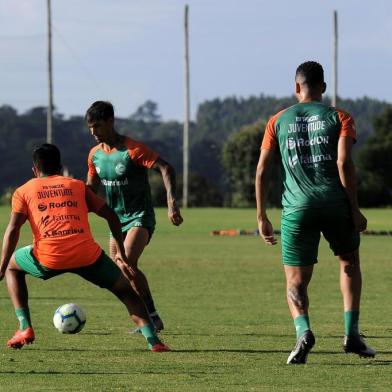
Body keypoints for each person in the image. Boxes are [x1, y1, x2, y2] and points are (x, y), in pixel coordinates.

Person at [255, 61, 375, 364]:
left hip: (296, 209)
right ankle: (352, 335)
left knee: (295, 280)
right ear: (323, 87)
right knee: (349, 261)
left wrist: (261, 215)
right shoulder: (340, 117)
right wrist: (355, 209)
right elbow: (344, 163)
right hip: (335, 203)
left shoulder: (277, 121)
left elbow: (261, 172)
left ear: (297, 87)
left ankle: (303, 332)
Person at [0, 143, 169, 352]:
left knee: (12, 268)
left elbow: (12, 230)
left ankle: (25, 327)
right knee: (126, 291)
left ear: (35, 170)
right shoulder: (77, 186)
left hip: (49, 257)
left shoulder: (23, 191)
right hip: (87, 255)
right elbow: (110, 215)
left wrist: (2, 265)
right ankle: (154, 341)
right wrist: (121, 252)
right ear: (60, 168)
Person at [85, 101, 183, 331]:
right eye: (90, 127)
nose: (93, 132)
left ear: (111, 122)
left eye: (97, 126)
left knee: (125, 262)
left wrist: (171, 203)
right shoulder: (95, 155)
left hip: (140, 216)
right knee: (122, 271)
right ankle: (150, 317)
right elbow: (91, 188)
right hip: (115, 220)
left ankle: (150, 318)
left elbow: (166, 168)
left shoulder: (132, 149)